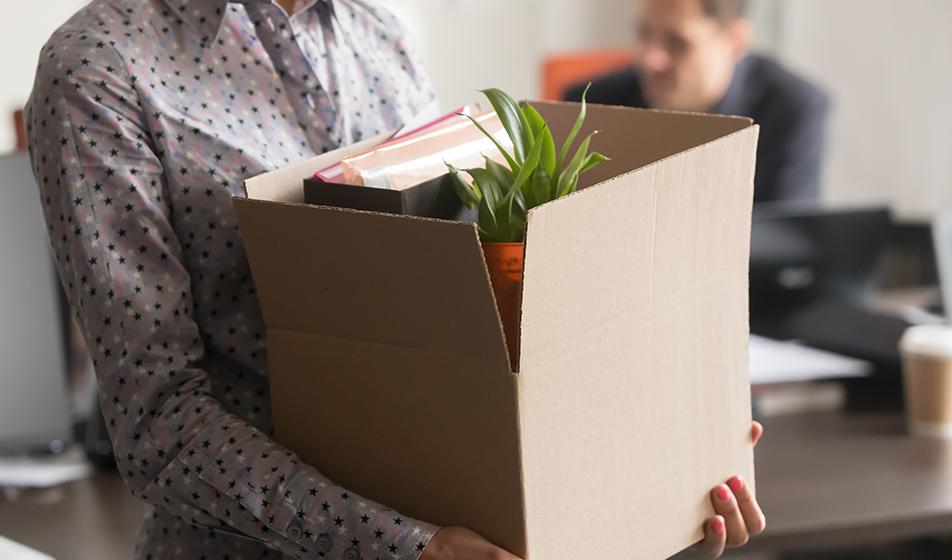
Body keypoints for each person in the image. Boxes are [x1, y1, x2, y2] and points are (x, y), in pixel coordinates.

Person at [26, 0, 764, 558]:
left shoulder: (378, 34)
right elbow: (159, 428)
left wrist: (656, 469)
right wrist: (407, 545)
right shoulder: (101, 66)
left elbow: (458, 327)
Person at [565, 0, 830, 203]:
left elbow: (790, 247)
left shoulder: (793, 108)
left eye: (678, 43)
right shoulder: (592, 104)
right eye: (643, 34)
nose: (650, 59)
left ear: (736, 42)